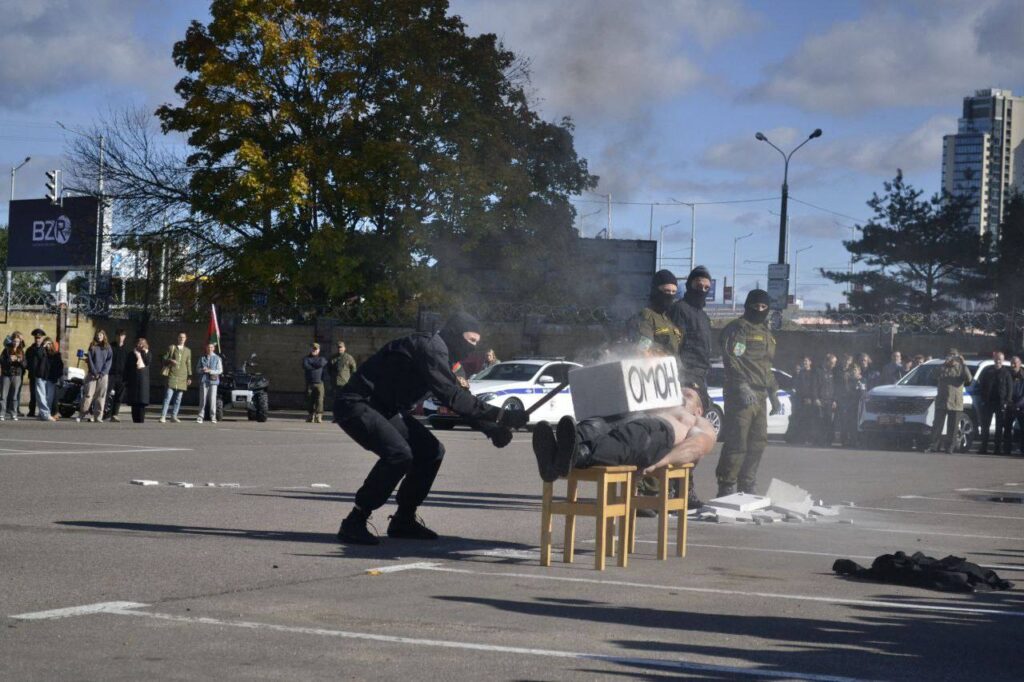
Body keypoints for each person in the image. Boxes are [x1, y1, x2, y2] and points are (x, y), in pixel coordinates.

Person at [333, 312, 526, 545]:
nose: (473, 347)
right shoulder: (429, 348)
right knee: (399, 455)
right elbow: (450, 395)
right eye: (471, 340)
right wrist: (503, 415)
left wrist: (490, 428)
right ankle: (355, 521)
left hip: (386, 409)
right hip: (358, 403)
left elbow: (460, 398)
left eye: (477, 342)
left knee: (431, 451)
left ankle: (403, 520)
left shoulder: (446, 360)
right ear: (455, 334)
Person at [531, 387, 716, 482]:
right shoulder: (656, 402)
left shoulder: (696, 420)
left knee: (628, 439)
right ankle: (561, 453)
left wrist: (661, 462)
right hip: (633, 417)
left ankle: (574, 455)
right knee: (598, 423)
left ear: (699, 410)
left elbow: (699, 444)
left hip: (657, 431)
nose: (682, 393)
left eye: (689, 394)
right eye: (681, 389)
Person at [716, 289, 780, 496]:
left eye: (763, 307)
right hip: (741, 393)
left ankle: (747, 483)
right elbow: (732, 360)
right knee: (738, 441)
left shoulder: (766, 333)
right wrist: (741, 386)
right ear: (747, 306)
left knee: (758, 442)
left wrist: (774, 393)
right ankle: (727, 485)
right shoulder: (738, 329)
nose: (759, 310)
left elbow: (766, 366)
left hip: (760, 394)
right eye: (756, 306)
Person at [669, 265, 714, 509]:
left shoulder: (703, 316)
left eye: (707, 288)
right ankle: (675, 489)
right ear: (690, 285)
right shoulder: (680, 310)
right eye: (699, 286)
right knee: (682, 436)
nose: (703, 290)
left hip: (701, 380)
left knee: (696, 437)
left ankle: (686, 489)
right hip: (686, 381)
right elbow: (676, 347)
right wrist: (684, 380)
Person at [924, 349, 972, 454]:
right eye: (949, 355)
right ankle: (933, 446)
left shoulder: (961, 368)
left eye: (954, 355)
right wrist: (943, 364)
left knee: (953, 427)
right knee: (937, 425)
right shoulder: (942, 367)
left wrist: (964, 364)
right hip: (942, 400)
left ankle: (950, 447)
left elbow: (969, 379)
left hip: (955, 402)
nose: (951, 357)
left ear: (958, 356)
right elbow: (932, 376)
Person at [631, 269, 683, 357]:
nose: (670, 295)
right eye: (666, 291)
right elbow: (643, 349)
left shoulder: (668, 319)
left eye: (673, 292)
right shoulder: (647, 316)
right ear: (656, 290)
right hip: (658, 368)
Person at [976, 351, 1012, 455]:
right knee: (985, 426)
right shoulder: (988, 371)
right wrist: (983, 399)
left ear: (1003, 360)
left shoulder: (1006, 373)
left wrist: (1007, 401)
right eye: (996, 359)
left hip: (1000, 403)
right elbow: (982, 385)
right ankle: (983, 448)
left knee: (999, 427)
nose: (998, 361)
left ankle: (997, 449)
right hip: (988, 403)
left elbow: (1010, 389)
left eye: (1000, 359)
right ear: (994, 359)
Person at [77, 330, 113, 423]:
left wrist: (102, 373)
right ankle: (81, 414)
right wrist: (94, 372)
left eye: (101, 335)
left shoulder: (108, 347)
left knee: (101, 396)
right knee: (88, 394)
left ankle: (98, 417)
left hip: (103, 375)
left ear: (104, 336)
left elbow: (108, 362)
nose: (99, 336)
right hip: (92, 374)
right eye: (97, 335)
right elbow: (90, 359)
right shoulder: (92, 346)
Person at [160, 332, 192, 423]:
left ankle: (174, 416)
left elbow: (188, 364)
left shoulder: (188, 351)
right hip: (172, 375)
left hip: (183, 377)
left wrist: (189, 377)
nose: (181, 339)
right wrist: (170, 360)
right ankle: (163, 416)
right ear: (177, 338)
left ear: (186, 339)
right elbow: (164, 359)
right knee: (168, 397)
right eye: (180, 337)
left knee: (178, 399)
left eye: (183, 337)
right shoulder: (172, 348)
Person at [785, 356, 815, 445]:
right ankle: (799, 438)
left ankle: (808, 438)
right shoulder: (800, 373)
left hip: (809, 399)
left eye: (806, 361)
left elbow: (814, 386)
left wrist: (810, 397)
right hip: (800, 399)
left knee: (808, 420)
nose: (805, 363)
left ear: (810, 362)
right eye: (804, 361)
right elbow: (797, 385)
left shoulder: (813, 373)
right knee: (800, 419)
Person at [33, 337, 63, 422]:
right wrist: (43, 347)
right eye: (46, 344)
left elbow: (60, 366)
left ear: (52, 345)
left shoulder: (56, 354)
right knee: (41, 396)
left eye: (49, 344)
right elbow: (37, 356)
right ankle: (45, 414)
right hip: (41, 377)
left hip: (51, 378)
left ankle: (44, 414)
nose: (48, 346)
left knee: (49, 397)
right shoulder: (41, 352)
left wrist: (60, 377)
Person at [837, 363, 865, 447]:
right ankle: (844, 441)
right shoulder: (846, 380)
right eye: (852, 370)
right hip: (847, 404)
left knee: (855, 424)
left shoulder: (863, 380)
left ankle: (855, 441)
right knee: (845, 423)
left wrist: (861, 387)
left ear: (859, 371)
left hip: (858, 406)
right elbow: (842, 392)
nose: (853, 372)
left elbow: (864, 394)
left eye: (855, 370)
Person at [0, 331, 26, 421]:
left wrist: (20, 361)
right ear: (12, 341)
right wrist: (10, 360)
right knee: (3, 395)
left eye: (18, 341)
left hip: (17, 375)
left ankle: (13, 413)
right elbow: (2, 362)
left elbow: (25, 365)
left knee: (14, 396)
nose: (16, 343)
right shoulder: (6, 350)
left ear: (20, 342)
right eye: (14, 341)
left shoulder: (21, 351)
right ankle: (2, 413)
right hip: (6, 375)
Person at [813, 353, 838, 446]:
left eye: (835, 363)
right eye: (832, 363)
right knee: (819, 421)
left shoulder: (832, 372)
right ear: (827, 362)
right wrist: (815, 398)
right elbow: (814, 386)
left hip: (830, 400)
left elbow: (834, 387)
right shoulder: (818, 371)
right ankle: (819, 440)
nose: (834, 365)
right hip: (820, 400)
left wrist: (834, 400)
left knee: (828, 421)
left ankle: (828, 440)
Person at [126, 338, 152, 423]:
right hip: (134, 379)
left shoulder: (148, 353)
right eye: (139, 344)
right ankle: (134, 419)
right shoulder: (131, 354)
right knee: (134, 402)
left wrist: (143, 352)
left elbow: (147, 362)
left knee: (141, 402)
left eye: (142, 344)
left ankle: (141, 420)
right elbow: (128, 366)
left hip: (143, 380)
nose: (140, 345)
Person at [196, 342, 223, 424]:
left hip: (213, 381)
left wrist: (210, 371)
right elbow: (197, 369)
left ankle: (213, 416)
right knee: (202, 399)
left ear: (214, 348)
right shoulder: (202, 358)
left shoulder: (217, 358)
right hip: (204, 380)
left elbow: (220, 370)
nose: (209, 349)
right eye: (208, 347)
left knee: (212, 399)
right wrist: (202, 370)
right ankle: (200, 416)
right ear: (206, 348)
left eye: (211, 347)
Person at [107, 329, 130, 422]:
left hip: (122, 377)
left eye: (122, 336)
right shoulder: (110, 347)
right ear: (116, 336)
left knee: (119, 396)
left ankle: (114, 415)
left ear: (124, 337)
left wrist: (127, 377)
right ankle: (101, 413)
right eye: (119, 335)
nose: (120, 337)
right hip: (111, 375)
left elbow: (128, 364)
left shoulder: (126, 350)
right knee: (105, 394)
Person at [303, 342, 328, 423]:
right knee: (310, 399)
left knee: (320, 400)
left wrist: (312, 365)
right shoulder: (306, 358)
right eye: (313, 349)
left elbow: (321, 363)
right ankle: (311, 416)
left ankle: (319, 416)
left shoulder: (322, 358)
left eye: (316, 349)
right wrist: (316, 365)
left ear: (319, 350)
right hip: (310, 383)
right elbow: (306, 365)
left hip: (319, 383)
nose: (314, 350)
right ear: (310, 349)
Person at [24, 329, 46, 418]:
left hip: (42, 376)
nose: (38, 339)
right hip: (33, 375)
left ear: (42, 338)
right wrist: (29, 368)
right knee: (33, 394)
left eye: (39, 338)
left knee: (42, 394)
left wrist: (40, 348)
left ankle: (42, 412)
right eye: (36, 338)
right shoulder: (30, 349)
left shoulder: (44, 349)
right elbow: (26, 361)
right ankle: (31, 411)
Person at [1006, 356, 1024, 455]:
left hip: (1021, 407)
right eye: (1011, 363)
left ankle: (1023, 449)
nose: (1013, 365)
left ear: (1020, 364)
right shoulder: (1007, 375)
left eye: (1015, 363)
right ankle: (1007, 449)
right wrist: (1008, 403)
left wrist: (1018, 404)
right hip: (1009, 405)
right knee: (1007, 428)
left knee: (1022, 429)